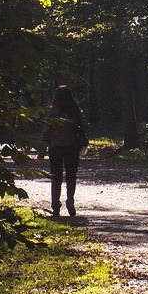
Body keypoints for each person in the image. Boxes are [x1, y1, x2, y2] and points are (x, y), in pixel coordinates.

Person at [42, 84, 88, 217]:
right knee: (71, 176)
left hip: (55, 147)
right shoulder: (75, 110)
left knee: (56, 176)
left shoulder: (52, 111)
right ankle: (70, 201)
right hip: (72, 146)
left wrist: (43, 147)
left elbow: (47, 130)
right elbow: (83, 127)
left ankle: (55, 204)